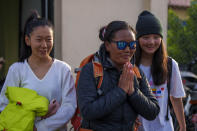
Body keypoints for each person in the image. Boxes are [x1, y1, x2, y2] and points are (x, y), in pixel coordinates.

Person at [0, 11, 77, 131]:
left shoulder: (63, 69)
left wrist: (39, 127)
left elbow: (69, 107)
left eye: (48, 39)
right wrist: (31, 122)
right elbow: (4, 104)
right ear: (27, 40)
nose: (44, 45)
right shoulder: (17, 70)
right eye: (39, 39)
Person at [77, 20, 160, 131]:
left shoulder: (136, 73)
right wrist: (120, 91)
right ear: (107, 45)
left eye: (132, 45)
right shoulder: (91, 70)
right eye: (121, 45)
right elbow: (87, 111)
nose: (127, 50)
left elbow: (153, 112)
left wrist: (134, 93)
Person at [135, 10, 186, 131]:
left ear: (161, 39)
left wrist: (183, 126)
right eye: (146, 37)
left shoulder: (170, 64)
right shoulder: (130, 65)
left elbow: (176, 98)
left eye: (156, 37)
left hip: (164, 127)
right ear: (137, 39)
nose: (151, 42)